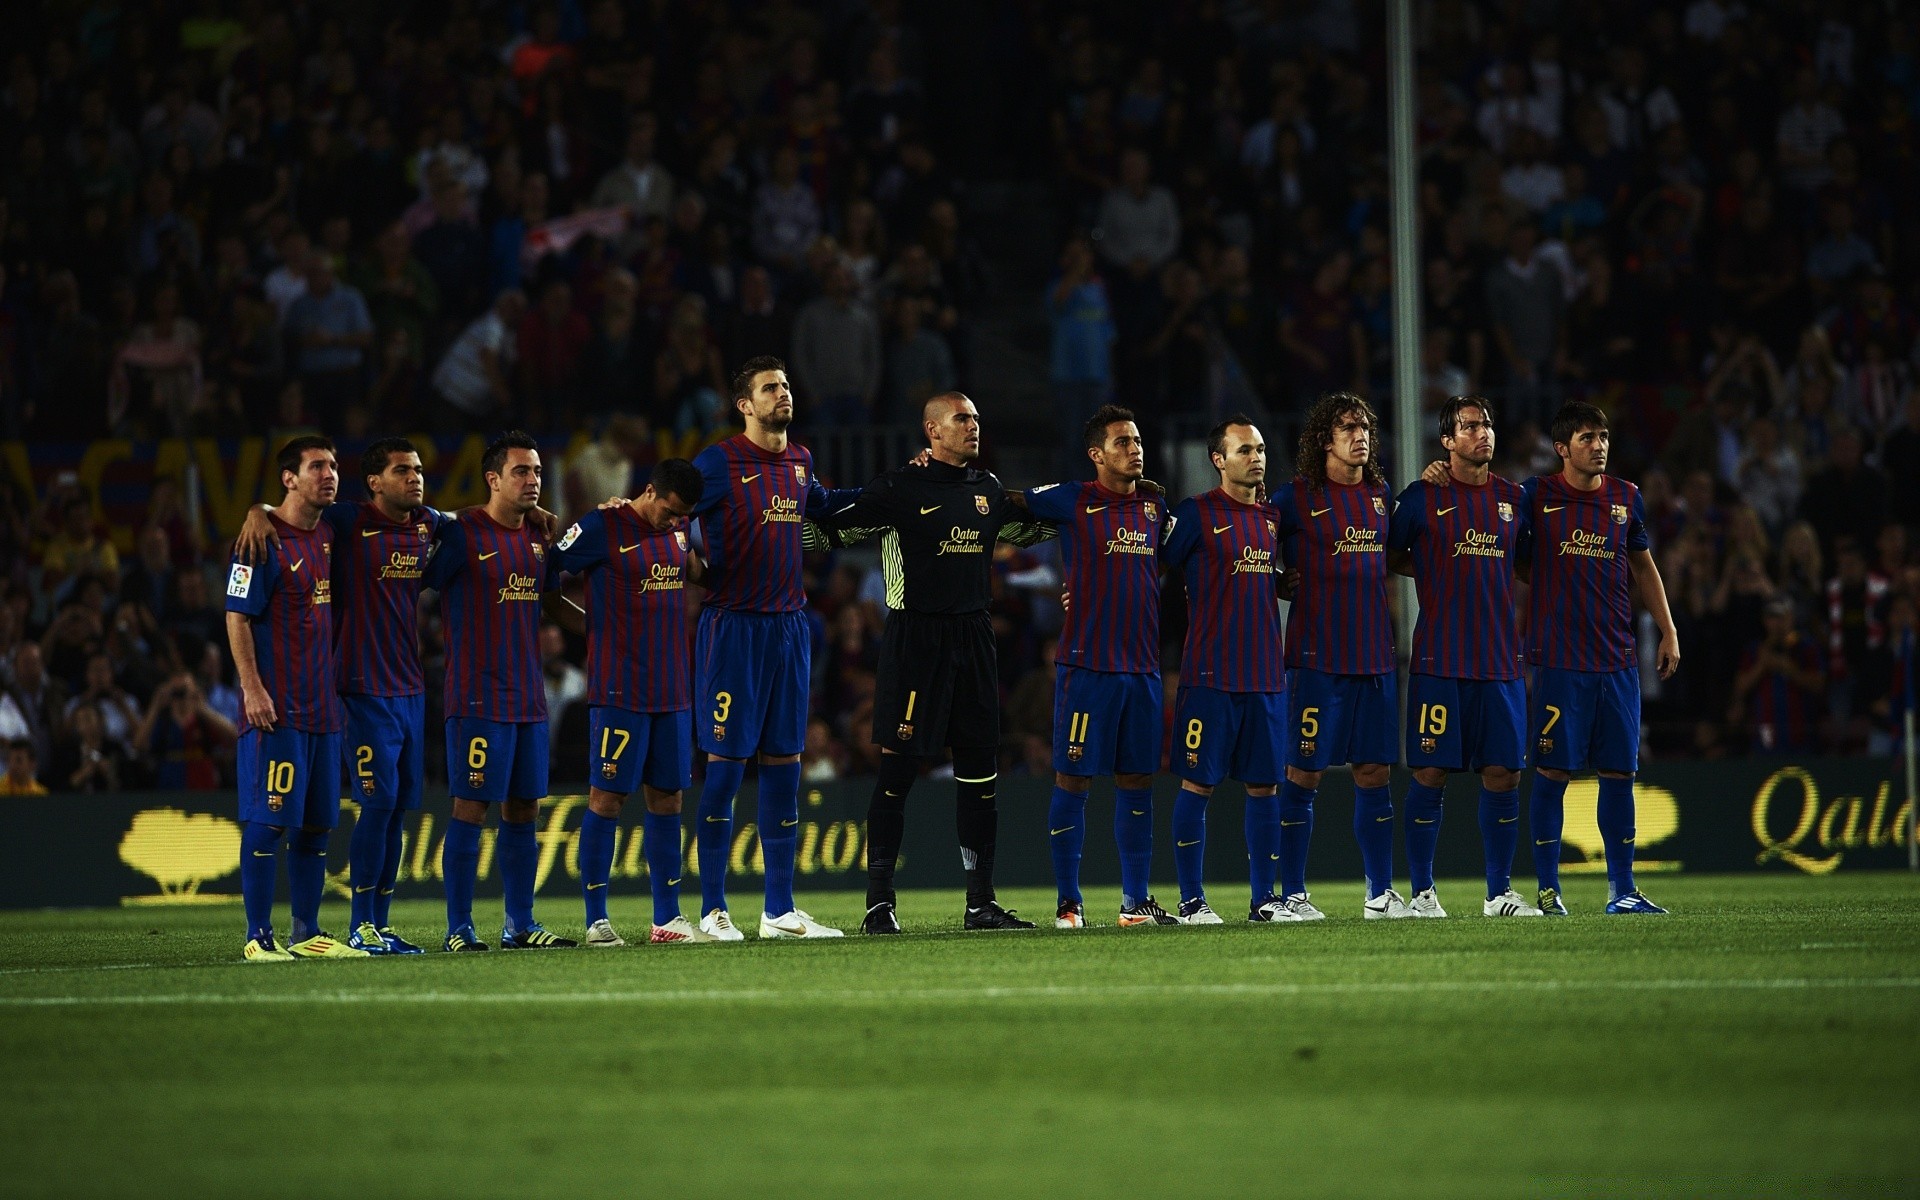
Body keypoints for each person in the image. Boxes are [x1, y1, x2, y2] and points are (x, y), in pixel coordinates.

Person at [809, 393, 1055, 933]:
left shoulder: (988, 490)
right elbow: (829, 530)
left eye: (976, 417)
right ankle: (879, 904)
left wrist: (1101, 500)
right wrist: (789, 503)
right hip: (915, 638)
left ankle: (980, 903)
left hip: (974, 637)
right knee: (897, 770)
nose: (974, 426)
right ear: (932, 431)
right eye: (961, 419)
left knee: (980, 773)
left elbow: (1038, 527)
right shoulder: (898, 488)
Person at [1434, 401, 1681, 913]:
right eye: (1587, 438)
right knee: (1553, 773)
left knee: (1619, 773)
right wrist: (1438, 476)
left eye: (1603, 437)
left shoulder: (1625, 498)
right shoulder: (1534, 496)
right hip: (1558, 661)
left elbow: (1644, 567)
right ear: (1563, 449)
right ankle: (1549, 890)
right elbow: (1496, 533)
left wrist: (1668, 629)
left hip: (1617, 660)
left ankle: (1623, 891)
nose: (1599, 446)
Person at [685, 357, 862, 940]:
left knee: (785, 768)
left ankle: (778, 910)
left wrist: (894, 492)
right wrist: (690, 566)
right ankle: (713, 910)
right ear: (745, 404)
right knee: (726, 770)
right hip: (733, 628)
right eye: (769, 388)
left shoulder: (800, 461)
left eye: (785, 385)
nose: (782, 394)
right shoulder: (717, 462)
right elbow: (665, 513)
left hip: (789, 629)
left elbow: (827, 505)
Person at [421, 432, 577, 951]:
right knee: (470, 808)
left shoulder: (539, 537)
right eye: (520, 472)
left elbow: (551, 597)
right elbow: (415, 577)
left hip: (528, 700)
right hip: (475, 699)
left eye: (536, 471)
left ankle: (521, 925)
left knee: (524, 811)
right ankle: (458, 928)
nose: (533, 480)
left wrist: (601, 627)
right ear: (493, 479)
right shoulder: (463, 533)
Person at [1022, 405, 1177, 928]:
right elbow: (1008, 504)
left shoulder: (1155, 509)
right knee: (1074, 780)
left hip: (1142, 671)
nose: (1134, 448)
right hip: (1087, 669)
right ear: (1097, 454)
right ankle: (1069, 904)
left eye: (1137, 440)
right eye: (1122, 442)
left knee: (1137, 781)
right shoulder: (1072, 499)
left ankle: (1135, 903)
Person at [1389, 398, 1542, 919]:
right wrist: (1429, 568)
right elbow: (1387, 555)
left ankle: (1498, 892)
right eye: (1470, 427)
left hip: (1500, 663)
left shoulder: (1512, 499)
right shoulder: (1421, 497)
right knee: (1431, 772)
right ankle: (1423, 893)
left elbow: (1523, 562)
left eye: (1488, 424)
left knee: (1505, 774)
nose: (1484, 433)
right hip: (1439, 661)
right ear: (1448, 441)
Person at [223, 435, 368, 962]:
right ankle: (257, 936)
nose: (329, 474)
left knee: (315, 825)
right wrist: (252, 687)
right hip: (275, 710)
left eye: (332, 465)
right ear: (289, 477)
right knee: (271, 818)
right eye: (316, 467)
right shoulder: (258, 540)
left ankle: (306, 934)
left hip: (322, 712)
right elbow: (236, 615)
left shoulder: (329, 532)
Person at [552, 459, 707, 947]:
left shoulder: (679, 535)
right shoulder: (602, 525)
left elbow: (704, 573)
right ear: (650, 492)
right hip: (619, 691)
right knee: (607, 798)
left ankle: (667, 919)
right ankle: (597, 920)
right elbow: (546, 576)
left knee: (669, 798)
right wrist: (590, 625)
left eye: (684, 515)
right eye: (670, 511)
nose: (674, 520)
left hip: (673, 691)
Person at [1266, 393, 1402, 921]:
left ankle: (1380, 894)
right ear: (1326, 439)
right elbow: (1247, 546)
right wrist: (1276, 579)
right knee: (1304, 772)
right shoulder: (1292, 498)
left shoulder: (1379, 495)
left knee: (1373, 772)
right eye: (1348, 427)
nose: (1360, 435)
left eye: (1365, 427)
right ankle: (1293, 894)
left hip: (1373, 659)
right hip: (1316, 658)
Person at [1159, 416, 1289, 923]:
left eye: (1259, 449)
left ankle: (1264, 901)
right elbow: (1154, 567)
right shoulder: (1195, 514)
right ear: (1219, 460)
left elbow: (1263, 578)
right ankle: (1192, 900)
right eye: (1244, 451)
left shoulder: (1273, 519)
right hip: (1210, 676)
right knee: (1198, 785)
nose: (1256, 457)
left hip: (1265, 677)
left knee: (1264, 787)